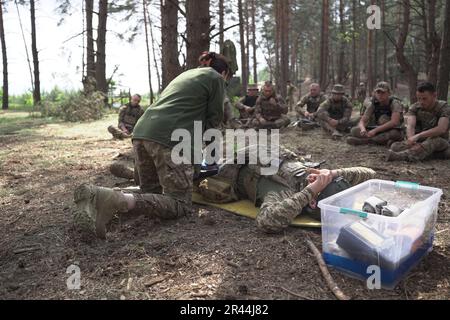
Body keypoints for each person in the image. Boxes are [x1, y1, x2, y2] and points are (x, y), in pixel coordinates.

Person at [74, 52, 230, 239]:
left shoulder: (187, 75)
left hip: (142, 133)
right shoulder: (215, 77)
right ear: (224, 73)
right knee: (179, 204)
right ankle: (111, 199)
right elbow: (214, 122)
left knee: (151, 194)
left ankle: (96, 200)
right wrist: (210, 161)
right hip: (169, 138)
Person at [197, 146, 375, 234]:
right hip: (251, 154)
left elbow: (266, 221)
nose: (316, 178)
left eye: (321, 183)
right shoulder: (316, 176)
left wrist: (310, 190)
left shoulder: (285, 195)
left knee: (197, 172)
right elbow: (370, 173)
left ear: (312, 201)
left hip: (229, 172)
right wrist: (333, 173)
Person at [386, 82, 450, 162]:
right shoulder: (415, 107)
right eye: (419, 98)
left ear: (434, 96)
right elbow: (410, 126)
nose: (421, 102)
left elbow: (441, 129)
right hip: (420, 141)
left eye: (424, 98)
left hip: (439, 141)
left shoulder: (443, 107)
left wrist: (419, 135)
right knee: (395, 146)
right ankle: (426, 154)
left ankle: (400, 156)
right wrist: (411, 140)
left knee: (435, 141)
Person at [347, 82, 404, 146]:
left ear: (389, 93)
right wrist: (363, 129)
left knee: (394, 133)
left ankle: (366, 141)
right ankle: (383, 141)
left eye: (383, 93)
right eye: (378, 92)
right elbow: (362, 120)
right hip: (378, 130)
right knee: (354, 130)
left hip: (392, 129)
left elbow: (394, 122)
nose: (380, 95)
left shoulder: (394, 103)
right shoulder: (374, 104)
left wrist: (375, 131)